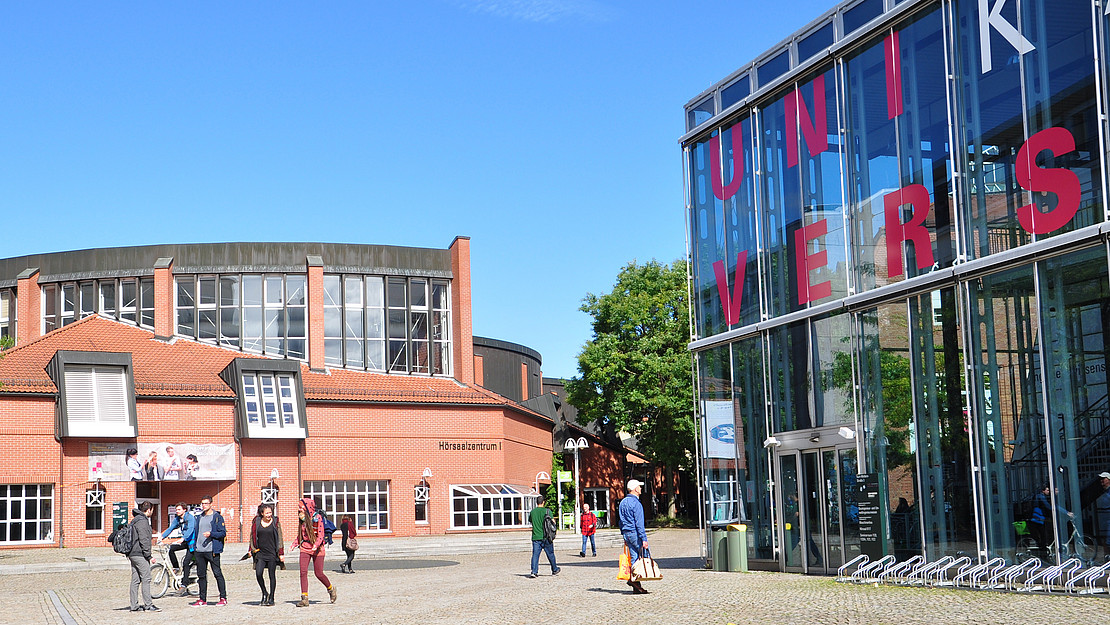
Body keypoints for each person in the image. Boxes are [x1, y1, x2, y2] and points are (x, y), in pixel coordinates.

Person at [294, 497, 337, 607]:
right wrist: (295, 543)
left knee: (319, 573)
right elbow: (301, 534)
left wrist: (315, 545)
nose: (299, 509)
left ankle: (331, 589)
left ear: (307, 507)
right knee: (303, 572)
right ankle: (304, 598)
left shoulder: (317, 518)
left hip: (317, 548)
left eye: (301, 507)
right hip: (305, 547)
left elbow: (321, 535)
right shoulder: (302, 518)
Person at [189, 495, 228, 607]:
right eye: (202, 503)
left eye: (206, 503)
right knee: (201, 575)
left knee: (217, 573)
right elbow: (196, 532)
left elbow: (223, 532)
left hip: (212, 550)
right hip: (200, 550)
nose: (204, 505)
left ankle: (223, 597)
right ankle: (202, 599)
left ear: (211, 504)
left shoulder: (217, 517)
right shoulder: (199, 517)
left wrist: (211, 534)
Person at [157, 502, 197, 594]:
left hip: (192, 542)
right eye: (176, 509)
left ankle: (184, 584)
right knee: (171, 549)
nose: (177, 511)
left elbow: (191, 529)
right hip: (185, 541)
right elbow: (171, 528)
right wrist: (162, 537)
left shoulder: (190, 518)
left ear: (184, 510)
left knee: (186, 562)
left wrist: (183, 538)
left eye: (179, 509)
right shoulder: (178, 519)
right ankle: (176, 567)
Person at [127, 501, 161, 612]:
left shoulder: (135, 520)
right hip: (139, 553)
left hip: (133, 553)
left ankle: (134, 605)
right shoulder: (142, 522)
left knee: (136, 580)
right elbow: (144, 540)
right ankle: (148, 604)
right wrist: (149, 556)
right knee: (146, 578)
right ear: (149, 510)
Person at [248, 503, 284, 606]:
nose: (269, 515)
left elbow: (280, 538)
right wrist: (251, 549)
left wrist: (281, 553)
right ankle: (265, 593)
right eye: (267, 513)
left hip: (272, 553)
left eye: (270, 512)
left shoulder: (275, 522)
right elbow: (252, 536)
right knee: (258, 574)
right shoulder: (256, 522)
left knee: (271, 575)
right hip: (260, 553)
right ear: (262, 513)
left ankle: (272, 597)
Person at [619, 479, 649, 594]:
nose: (641, 489)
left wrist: (624, 535)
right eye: (639, 487)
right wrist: (644, 539)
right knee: (643, 556)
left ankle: (636, 586)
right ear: (635, 489)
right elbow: (639, 523)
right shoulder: (636, 503)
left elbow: (621, 521)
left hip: (627, 533)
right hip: (635, 534)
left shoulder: (623, 502)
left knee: (634, 558)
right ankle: (634, 580)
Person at [1029, 484, 1073, 555]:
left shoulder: (1043, 496)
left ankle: (1044, 548)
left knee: (1045, 533)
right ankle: (1043, 551)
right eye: (1047, 490)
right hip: (1039, 518)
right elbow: (1049, 506)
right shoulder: (1041, 496)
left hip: (1041, 517)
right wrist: (1066, 512)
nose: (1049, 492)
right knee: (1044, 533)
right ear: (1043, 491)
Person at [527, 494, 560, 578]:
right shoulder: (547, 511)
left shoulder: (533, 512)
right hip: (546, 537)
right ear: (543, 502)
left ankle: (534, 571)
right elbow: (553, 522)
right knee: (550, 554)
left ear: (536, 502)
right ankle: (554, 569)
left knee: (535, 555)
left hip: (536, 537)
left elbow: (530, 521)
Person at [1096, 472, 1110, 560]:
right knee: (1104, 539)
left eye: (1103, 479)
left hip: (1108, 517)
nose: (1101, 481)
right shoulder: (1104, 491)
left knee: (1108, 541)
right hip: (1104, 518)